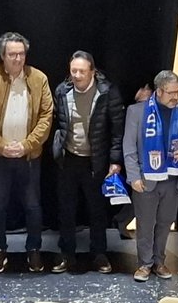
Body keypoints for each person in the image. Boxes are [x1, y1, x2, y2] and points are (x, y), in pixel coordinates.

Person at [0, 32, 53, 274]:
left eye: (21, 54)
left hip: (29, 155)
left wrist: (26, 145)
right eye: (12, 54)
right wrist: (1, 146)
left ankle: (34, 250)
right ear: (2, 55)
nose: (17, 59)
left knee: (32, 206)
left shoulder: (38, 78)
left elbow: (47, 116)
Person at [50, 51, 125, 274]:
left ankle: (99, 254)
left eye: (82, 71)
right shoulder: (62, 91)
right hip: (69, 159)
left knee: (97, 211)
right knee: (66, 210)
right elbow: (57, 122)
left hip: (96, 161)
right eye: (74, 71)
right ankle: (67, 254)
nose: (78, 75)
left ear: (92, 71)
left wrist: (114, 160)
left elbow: (117, 130)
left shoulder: (107, 92)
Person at [123, 70, 178, 281]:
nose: (176, 96)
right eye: (171, 92)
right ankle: (144, 264)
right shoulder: (137, 112)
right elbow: (129, 147)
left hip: (172, 179)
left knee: (165, 222)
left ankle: (159, 262)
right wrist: (133, 176)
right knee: (145, 224)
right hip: (146, 178)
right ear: (159, 91)